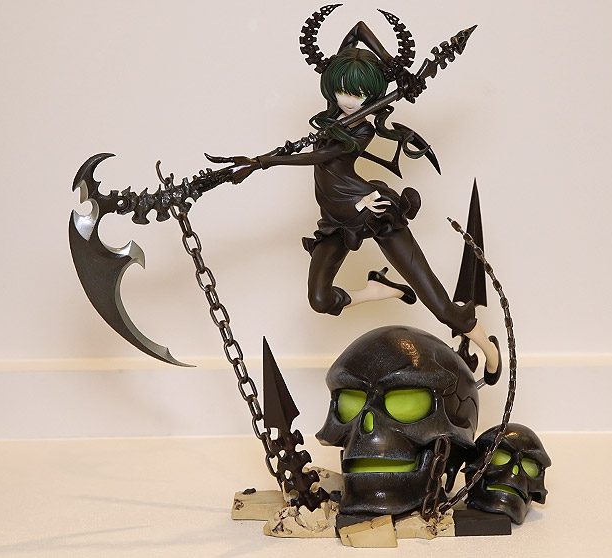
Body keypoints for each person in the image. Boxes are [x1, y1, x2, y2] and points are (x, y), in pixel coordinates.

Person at [212, 14, 500, 376]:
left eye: (360, 94)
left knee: (439, 304)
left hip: (372, 211)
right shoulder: (334, 117)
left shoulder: (362, 129)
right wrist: (395, 67)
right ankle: (376, 290)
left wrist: (260, 162)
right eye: (343, 90)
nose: (349, 100)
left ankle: (489, 349)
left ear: (373, 96)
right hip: (336, 220)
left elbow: (320, 158)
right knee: (320, 299)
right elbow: (358, 29)